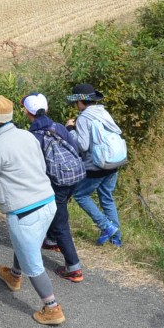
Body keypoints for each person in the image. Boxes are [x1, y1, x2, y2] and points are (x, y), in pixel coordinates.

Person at [0, 95, 65, 326]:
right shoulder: (27, 135)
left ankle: (52, 308)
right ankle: (14, 276)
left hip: (24, 212)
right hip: (48, 202)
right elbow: (42, 166)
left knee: (33, 264)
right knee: (26, 244)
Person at [23, 93, 85, 283]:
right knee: (57, 213)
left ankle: (74, 268)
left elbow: (34, 167)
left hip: (56, 182)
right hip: (75, 177)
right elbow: (75, 147)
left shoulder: (33, 136)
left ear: (27, 113)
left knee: (60, 222)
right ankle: (51, 241)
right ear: (47, 109)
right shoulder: (58, 127)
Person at [65, 83, 123, 247]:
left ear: (80, 102)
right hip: (114, 161)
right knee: (107, 198)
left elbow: (82, 146)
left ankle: (106, 227)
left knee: (80, 195)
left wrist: (70, 129)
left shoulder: (83, 118)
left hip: (98, 165)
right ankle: (116, 239)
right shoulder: (103, 112)